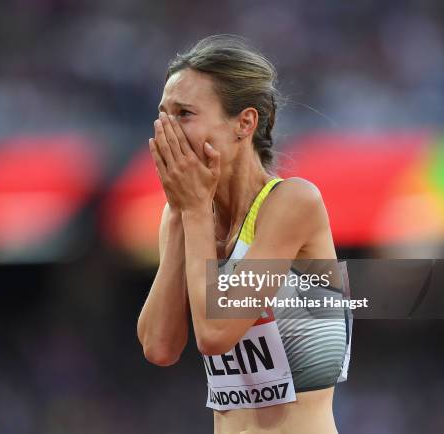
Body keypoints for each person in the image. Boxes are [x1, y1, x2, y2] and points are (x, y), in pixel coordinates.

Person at [136, 35, 351, 434]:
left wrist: (196, 211)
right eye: (162, 114)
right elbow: (159, 346)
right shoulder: (182, 215)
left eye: (184, 114)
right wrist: (186, 214)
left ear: (244, 123)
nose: (167, 130)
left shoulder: (292, 203)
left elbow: (216, 333)